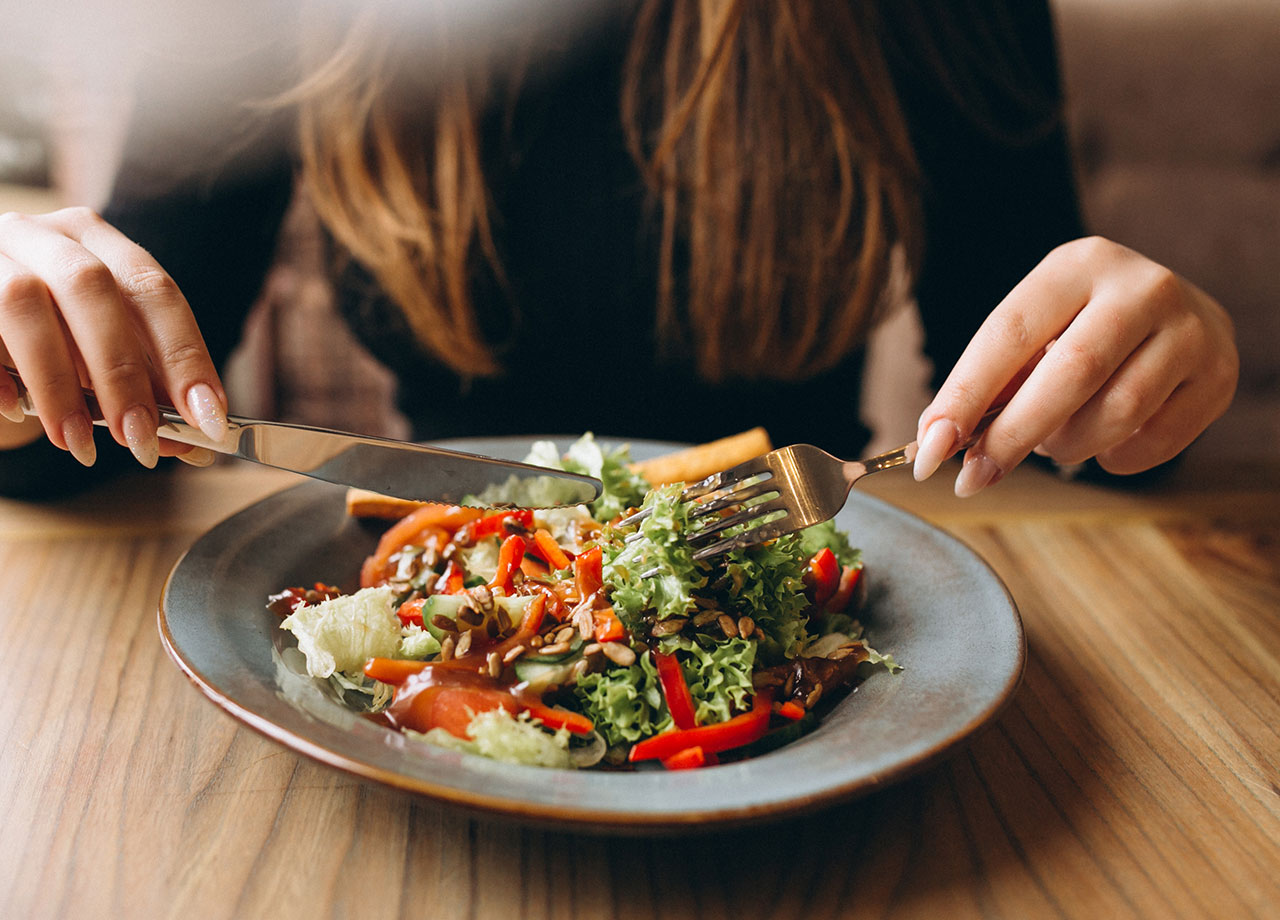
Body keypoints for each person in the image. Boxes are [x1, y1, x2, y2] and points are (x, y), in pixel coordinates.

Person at [0, 0, 1238, 501]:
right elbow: (101, 425)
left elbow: (1055, 434)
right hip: (417, 609)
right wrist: (27, 348)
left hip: (793, 585)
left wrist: (1148, 369)